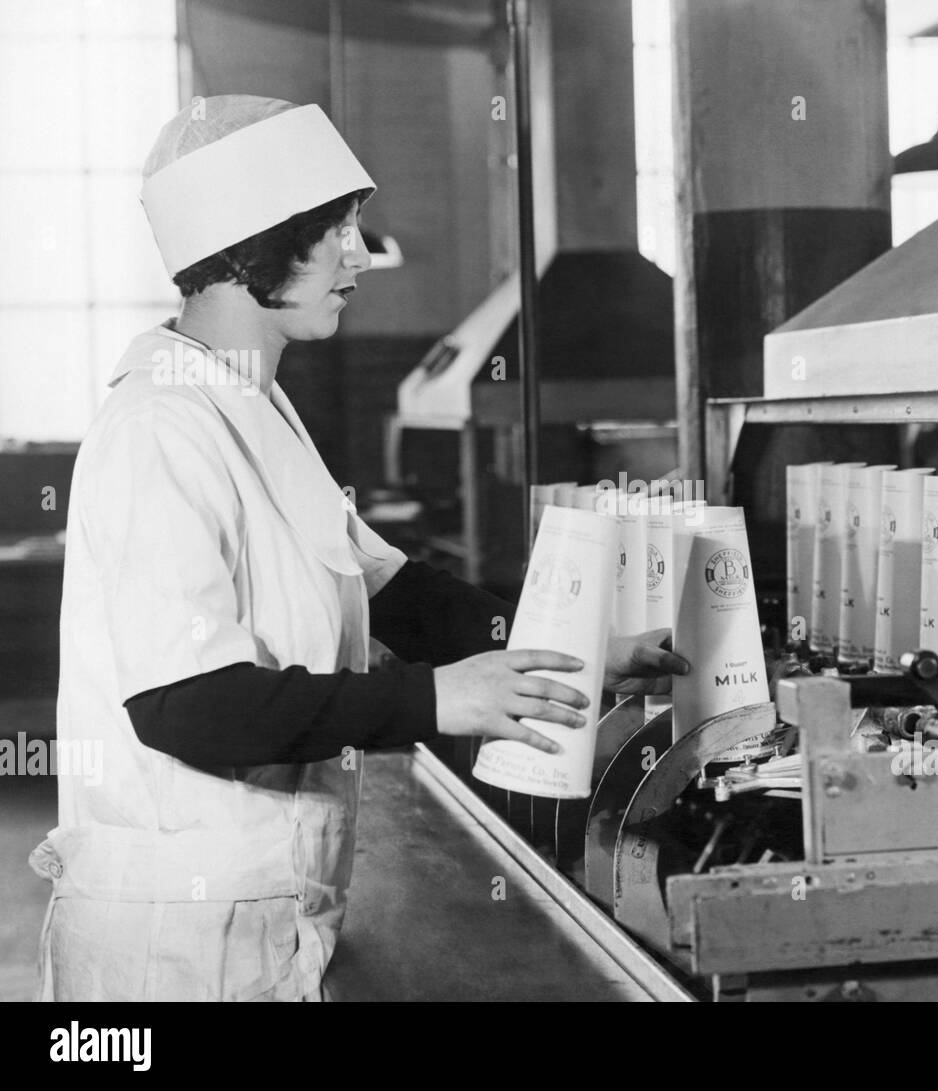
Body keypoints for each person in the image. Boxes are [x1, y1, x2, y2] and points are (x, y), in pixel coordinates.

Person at [29, 95, 688, 1002]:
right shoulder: (160, 428)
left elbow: (392, 590)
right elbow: (184, 704)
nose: (361, 255)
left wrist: (570, 645)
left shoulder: (253, 403)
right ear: (244, 248)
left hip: (264, 912)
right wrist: (434, 698)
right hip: (174, 944)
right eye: (333, 230)